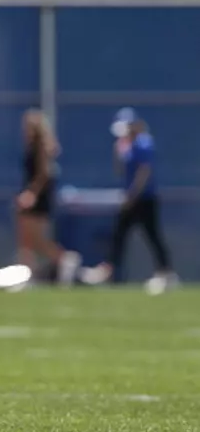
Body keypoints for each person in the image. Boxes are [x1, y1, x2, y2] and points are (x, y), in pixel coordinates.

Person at [80, 108, 177, 294]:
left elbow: (144, 172)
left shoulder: (144, 143)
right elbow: (120, 171)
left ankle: (166, 273)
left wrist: (132, 195)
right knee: (120, 234)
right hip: (131, 198)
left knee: (152, 236)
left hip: (144, 198)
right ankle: (109, 270)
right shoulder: (127, 145)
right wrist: (118, 151)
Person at [15, 109, 80, 286]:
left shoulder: (40, 146)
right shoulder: (31, 145)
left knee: (36, 239)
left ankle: (64, 259)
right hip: (31, 194)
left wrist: (31, 194)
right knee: (26, 239)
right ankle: (27, 275)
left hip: (38, 196)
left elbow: (44, 173)